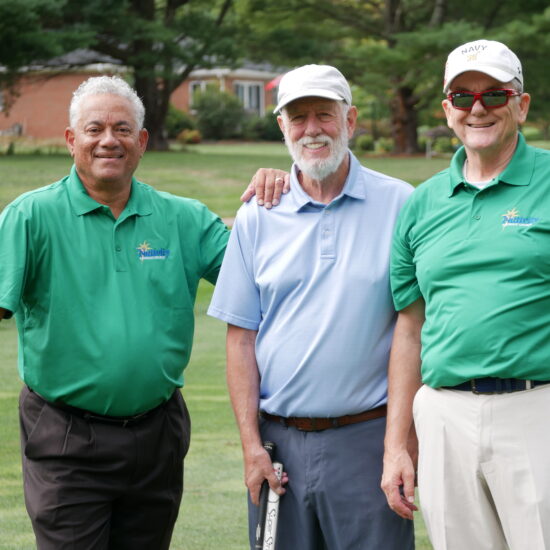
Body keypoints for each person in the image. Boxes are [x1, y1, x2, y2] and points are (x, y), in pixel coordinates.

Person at [0, 75, 229, 549]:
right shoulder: (30, 217)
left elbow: (270, 275)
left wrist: (285, 188)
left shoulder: (184, 219)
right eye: (94, 128)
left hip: (158, 433)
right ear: (71, 140)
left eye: (123, 129)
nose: (109, 140)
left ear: (142, 141)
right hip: (65, 437)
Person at [208, 64, 415, 550]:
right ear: (282, 126)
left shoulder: (401, 204)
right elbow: (241, 339)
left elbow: (416, 327)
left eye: (325, 114)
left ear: (351, 120)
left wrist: (401, 445)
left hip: (369, 441)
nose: (312, 129)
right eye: (298, 117)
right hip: (278, 448)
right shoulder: (257, 214)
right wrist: (250, 447)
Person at [381, 39, 550, 550]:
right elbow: (410, 328)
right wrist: (396, 447)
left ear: (520, 105)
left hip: (536, 409)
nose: (478, 108)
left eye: (494, 96)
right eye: (463, 97)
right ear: (447, 110)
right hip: (444, 416)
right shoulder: (422, 202)